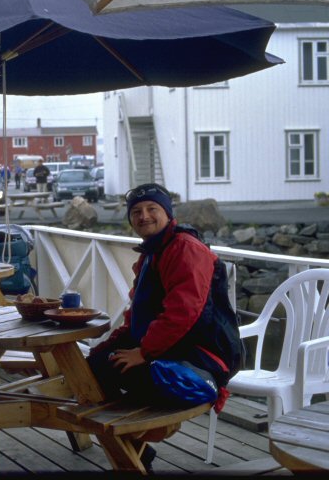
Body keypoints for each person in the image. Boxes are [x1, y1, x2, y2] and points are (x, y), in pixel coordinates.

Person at [85, 183, 231, 471]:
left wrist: (143, 352)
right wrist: (111, 345)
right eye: (136, 212)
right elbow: (138, 315)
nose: (144, 216)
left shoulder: (185, 249)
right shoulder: (153, 253)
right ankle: (136, 449)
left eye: (153, 209)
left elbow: (183, 312)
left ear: (167, 213)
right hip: (165, 347)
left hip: (199, 357)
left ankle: (136, 448)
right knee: (93, 367)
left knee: (113, 378)